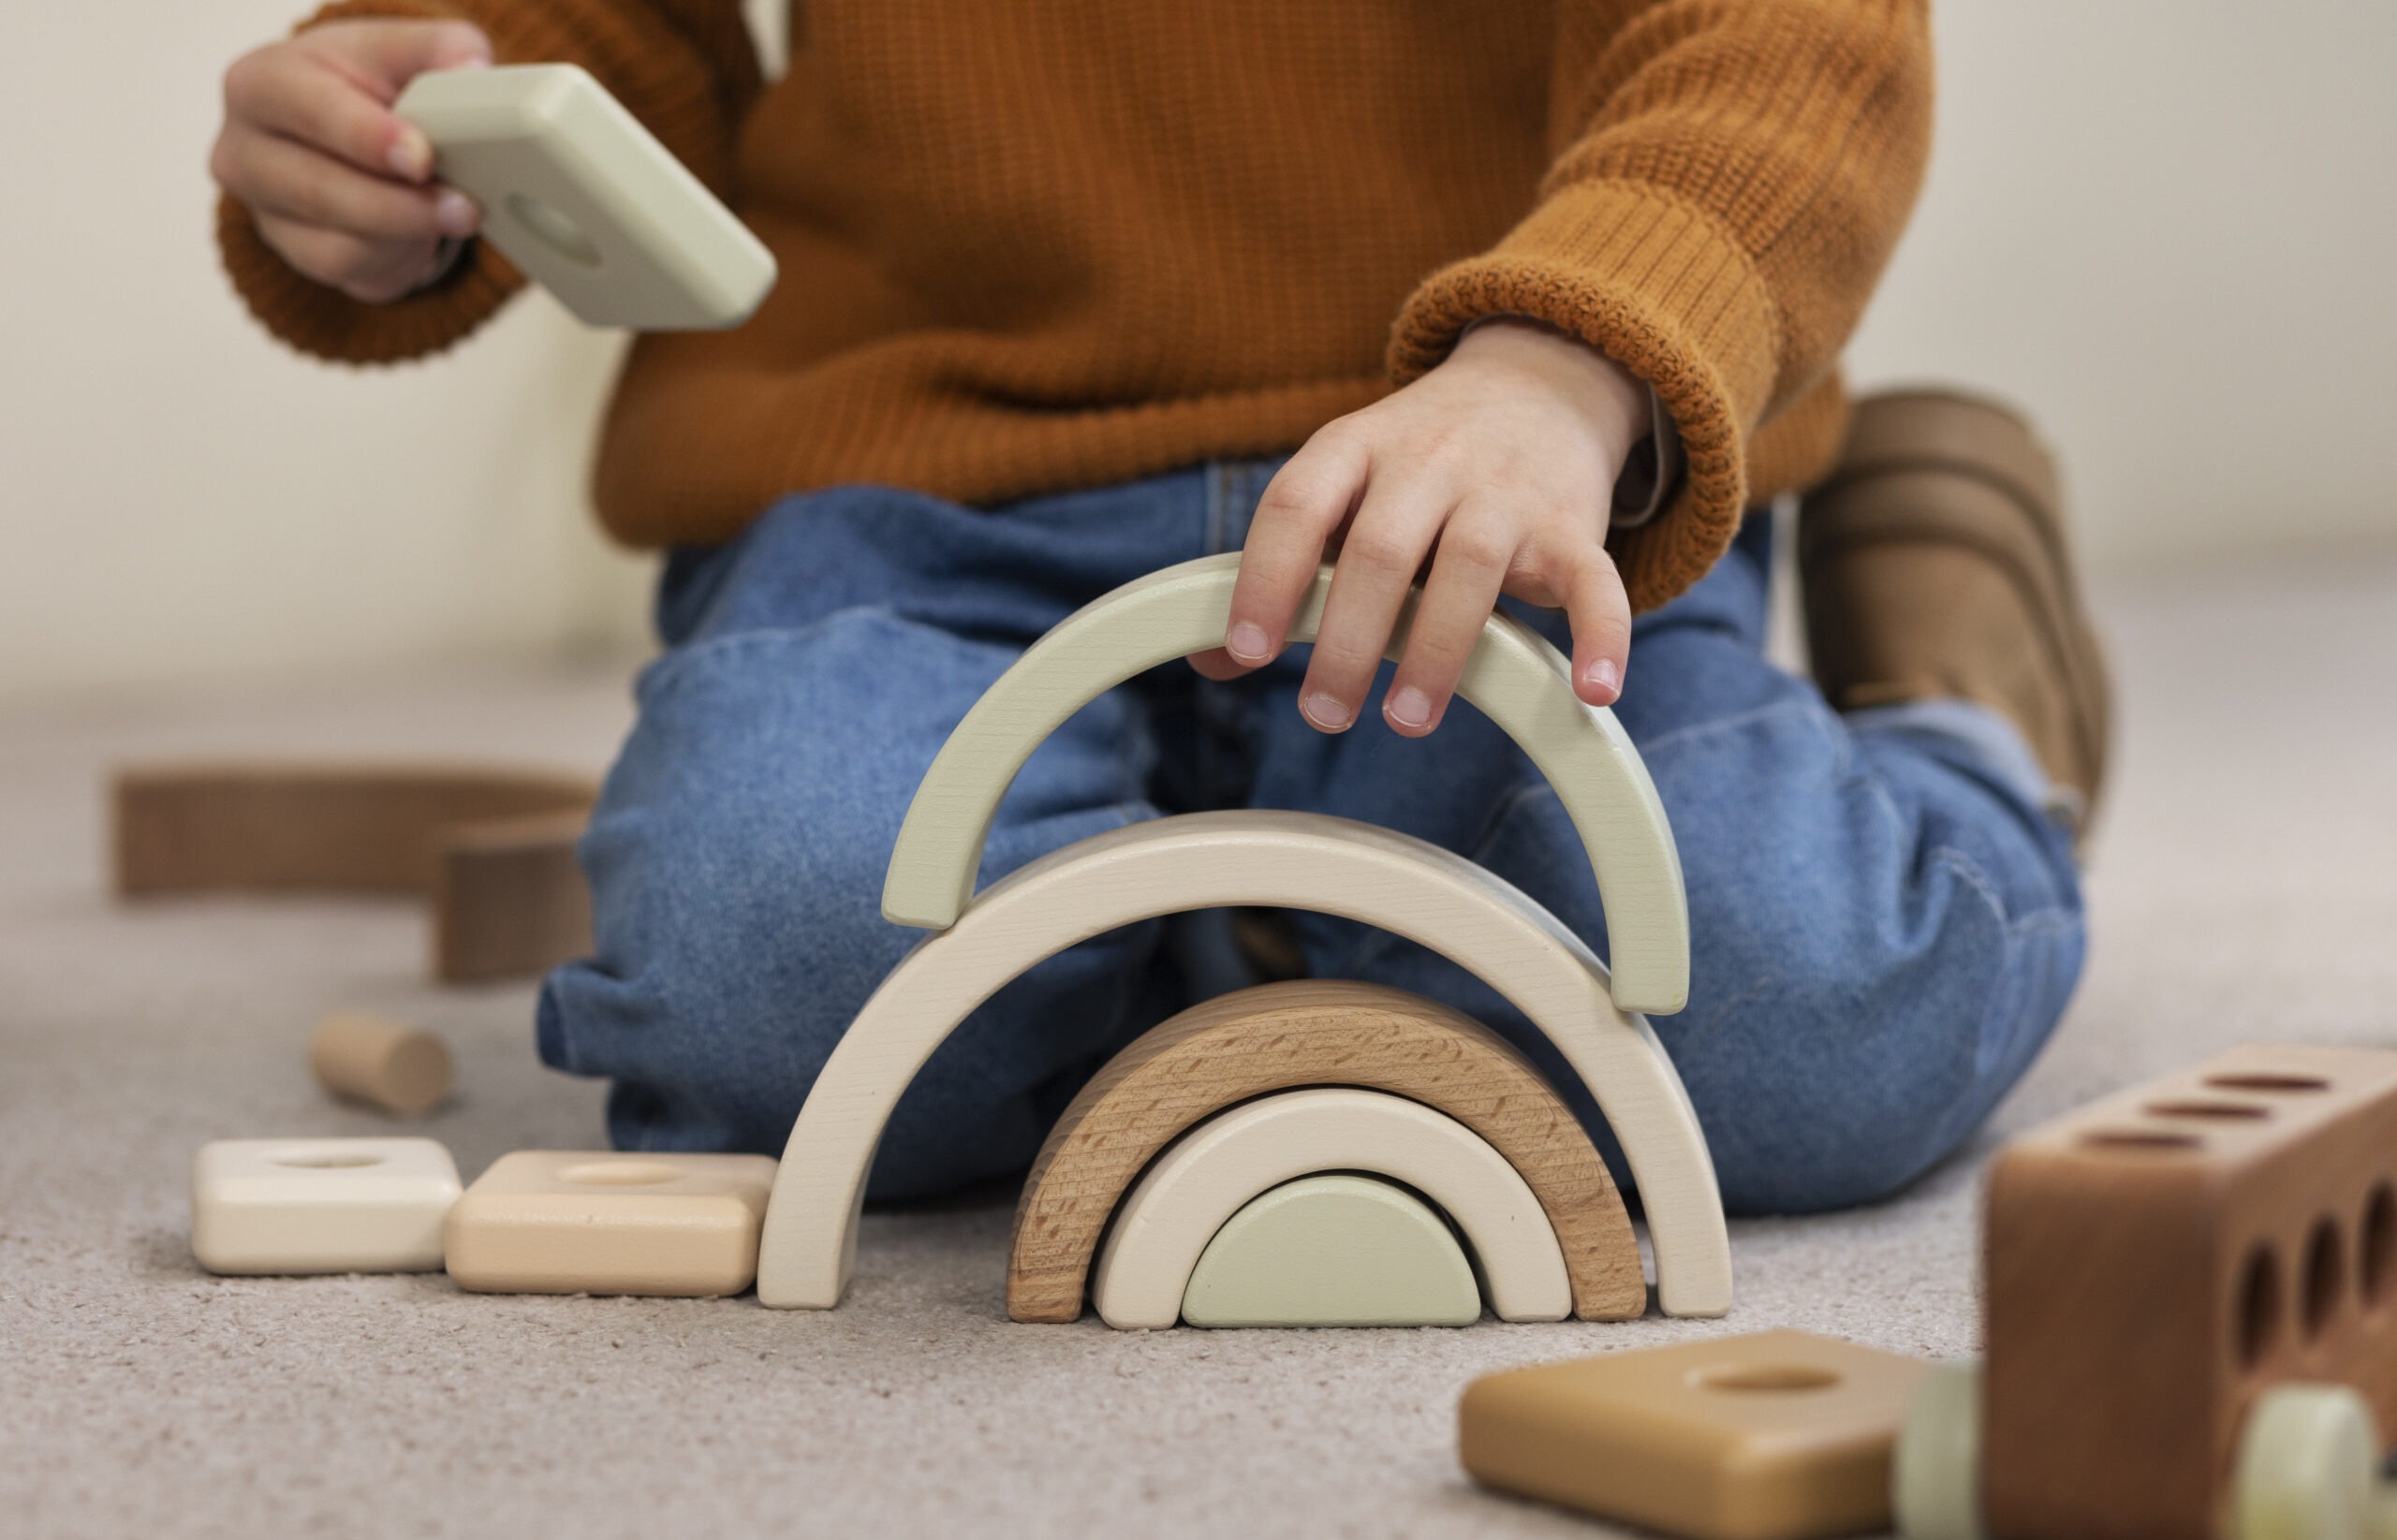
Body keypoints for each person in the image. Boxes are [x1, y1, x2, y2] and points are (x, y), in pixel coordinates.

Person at [208, 1, 2108, 1213]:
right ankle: (1294, 916)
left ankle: (1962, 695)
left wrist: (1555, 367)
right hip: (921, 486)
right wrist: (424, 115)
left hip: (1502, 480)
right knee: (781, 999)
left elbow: (1790, 44)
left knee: (1791, 1015)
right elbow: (609, 34)